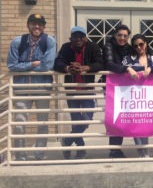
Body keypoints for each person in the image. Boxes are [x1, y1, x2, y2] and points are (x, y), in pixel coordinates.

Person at [7, 14, 56, 161]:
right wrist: (32, 64)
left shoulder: (49, 41)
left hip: (42, 88)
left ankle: (39, 154)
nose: (37, 26)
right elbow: (11, 65)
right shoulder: (18, 42)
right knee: (19, 123)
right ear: (28, 25)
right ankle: (20, 155)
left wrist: (24, 67)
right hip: (21, 89)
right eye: (34, 23)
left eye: (40, 24)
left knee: (42, 123)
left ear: (44, 27)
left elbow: (48, 65)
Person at [53, 26, 104, 159]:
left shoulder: (93, 47)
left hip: (87, 89)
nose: (78, 39)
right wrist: (68, 68)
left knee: (87, 119)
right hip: (72, 90)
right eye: (75, 37)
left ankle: (67, 141)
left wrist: (87, 68)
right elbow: (57, 63)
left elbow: (100, 63)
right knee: (76, 120)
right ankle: (81, 149)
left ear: (85, 38)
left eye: (81, 36)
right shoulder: (66, 47)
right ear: (71, 39)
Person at [122, 34, 153, 157]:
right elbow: (123, 65)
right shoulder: (129, 57)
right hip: (133, 95)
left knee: (148, 121)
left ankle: (148, 150)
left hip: (149, 96)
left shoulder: (152, 58)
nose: (139, 47)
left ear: (146, 44)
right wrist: (131, 69)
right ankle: (142, 151)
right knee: (136, 123)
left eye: (141, 44)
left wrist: (150, 68)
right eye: (136, 46)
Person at [102, 24, 133, 158]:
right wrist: (125, 69)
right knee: (115, 117)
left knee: (123, 117)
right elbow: (109, 63)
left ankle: (117, 148)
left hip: (126, 86)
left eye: (125, 36)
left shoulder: (130, 48)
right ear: (115, 35)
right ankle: (114, 149)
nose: (122, 38)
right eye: (120, 35)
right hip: (112, 87)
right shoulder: (108, 46)